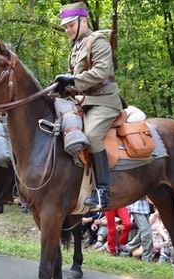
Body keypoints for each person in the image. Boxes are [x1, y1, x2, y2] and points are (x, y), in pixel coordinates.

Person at [55, 2, 123, 210]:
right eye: (65, 27)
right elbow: (76, 83)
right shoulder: (76, 48)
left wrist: (72, 80)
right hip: (84, 103)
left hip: (105, 102)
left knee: (91, 136)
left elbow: (101, 72)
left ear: (83, 21)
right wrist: (61, 88)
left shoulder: (98, 40)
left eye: (70, 25)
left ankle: (103, 192)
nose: (67, 30)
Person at [122, 197, 154, 262]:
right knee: (147, 234)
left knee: (141, 234)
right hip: (136, 208)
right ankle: (146, 260)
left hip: (144, 208)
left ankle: (126, 249)